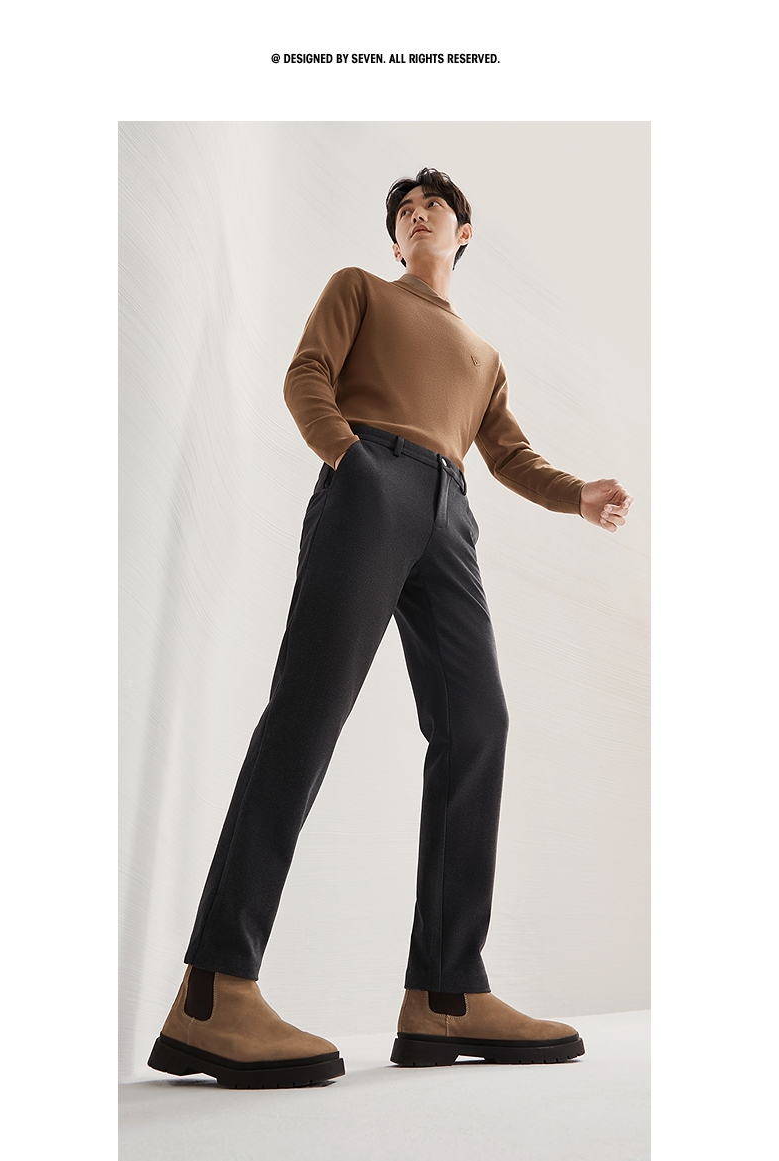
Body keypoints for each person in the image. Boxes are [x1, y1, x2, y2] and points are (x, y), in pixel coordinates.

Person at [148, 167, 633, 1089]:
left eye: (433, 206)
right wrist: (351, 460)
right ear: (394, 236)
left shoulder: (484, 355)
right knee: (308, 710)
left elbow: (508, 453)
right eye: (404, 210)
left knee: (477, 725)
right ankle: (213, 991)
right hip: (370, 478)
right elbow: (306, 375)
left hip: (451, 510)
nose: (417, 214)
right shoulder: (359, 289)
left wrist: (577, 494)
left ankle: (447, 990)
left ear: (463, 233)